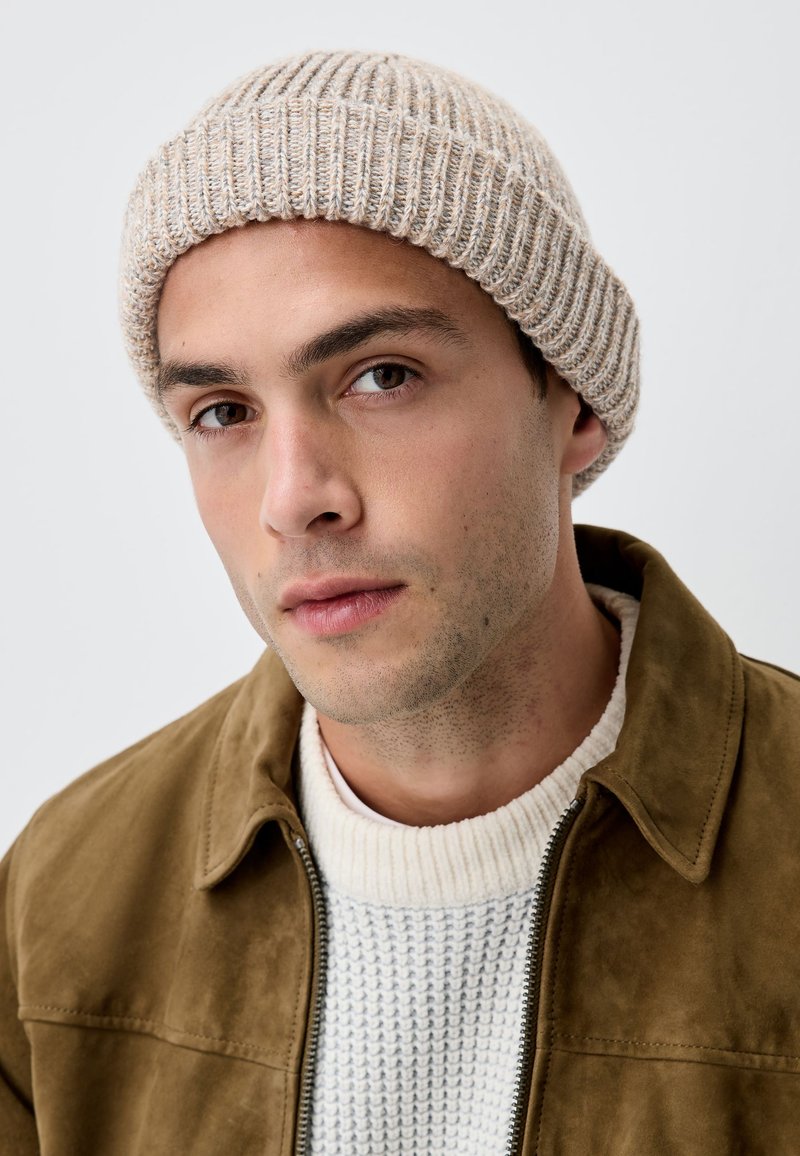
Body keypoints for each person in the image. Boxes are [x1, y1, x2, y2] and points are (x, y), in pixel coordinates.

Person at [1, 48, 798, 1156]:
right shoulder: (62, 899)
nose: (294, 499)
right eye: (224, 411)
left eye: (381, 376)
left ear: (572, 400)